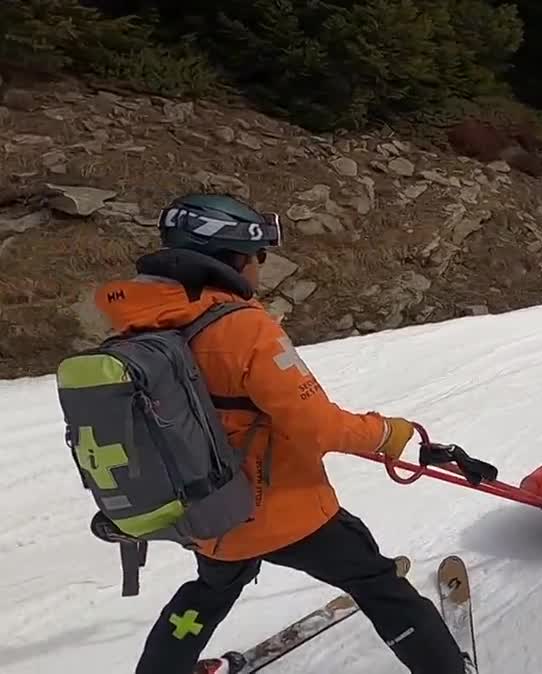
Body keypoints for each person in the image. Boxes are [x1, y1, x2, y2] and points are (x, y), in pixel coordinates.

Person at [93, 193, 472, 674]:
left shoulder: (135, 330)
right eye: (258, 257)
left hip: (206, 513)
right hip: (285, 512)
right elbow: (316, 425)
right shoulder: (244, 329)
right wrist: (385, 434)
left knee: (207, 593)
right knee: (377, 581)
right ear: (232, 259)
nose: (260, 269)